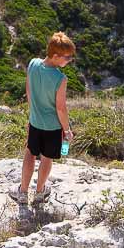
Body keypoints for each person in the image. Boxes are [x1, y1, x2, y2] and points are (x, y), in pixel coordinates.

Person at [9, 32, 75, 206]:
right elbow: (60, 108)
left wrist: (33, 114)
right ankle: (39, 193)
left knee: (30, 154)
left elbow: (29, 89)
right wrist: (67, 130)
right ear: (55, 56)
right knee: (46, 158)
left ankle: (22, 193)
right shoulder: (60, 78)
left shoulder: (33, 64)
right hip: (53, 128)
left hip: (35, 122)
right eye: (67, 58)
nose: (69, 61)